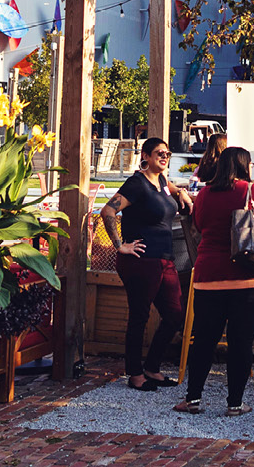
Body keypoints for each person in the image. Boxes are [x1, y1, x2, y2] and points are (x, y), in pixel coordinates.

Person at [177, 146, 254, 416]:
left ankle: (192, 399)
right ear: (244, 166)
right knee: (241, 342)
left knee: (203, 340)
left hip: (208, 277)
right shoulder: (252, 191)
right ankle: (235, 404)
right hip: (248, 277)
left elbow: (199, 225)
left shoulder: (204, 194)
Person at [98, 137, 193, 392]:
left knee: (174, 315)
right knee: (139, 316)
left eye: (168, 153)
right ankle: (135, 373)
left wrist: (181, 191)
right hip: (140, 260)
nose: (164, 157)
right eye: (159, 153)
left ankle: (152, 367)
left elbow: (171, 189)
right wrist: (119, 245)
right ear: (146, 156)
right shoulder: (137, 183)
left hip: (164, 260)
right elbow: (107, 212)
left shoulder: (161, 180)